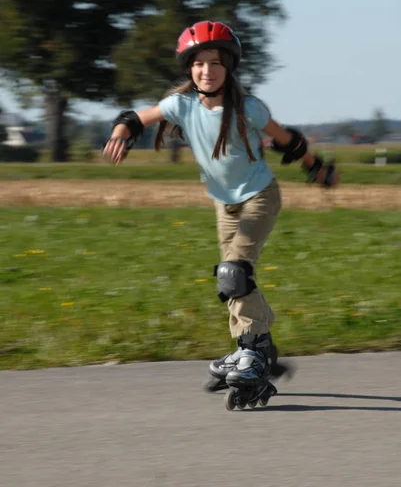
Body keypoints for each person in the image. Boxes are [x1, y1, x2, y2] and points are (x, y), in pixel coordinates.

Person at [103, 20, 339, 393]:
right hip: (222, 204)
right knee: (233, 281)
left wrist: (319, 169)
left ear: (228, 68)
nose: (206, 71)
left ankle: (252, 351)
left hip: (260, 196)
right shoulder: (179, 105)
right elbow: (135, 118)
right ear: (189, 68)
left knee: (234, 272)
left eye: (215, 63)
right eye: (198, 64)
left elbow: (288, 141)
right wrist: (121, 134)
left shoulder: (248, 109)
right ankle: (259, 350)